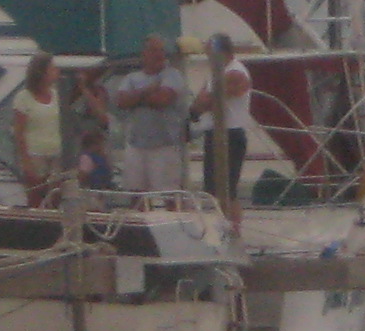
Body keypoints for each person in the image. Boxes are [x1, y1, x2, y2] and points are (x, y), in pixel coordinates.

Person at [105, 35, 190, 193]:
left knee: (168, 193)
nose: (159, 55)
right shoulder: (131, 78)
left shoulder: (173, 75)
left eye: (161, 51)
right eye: (153, 50)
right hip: (135, 144)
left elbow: (162, 99)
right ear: (144, 54)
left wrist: (136, 98)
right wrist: (148, 91)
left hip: (165, 145)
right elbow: (121, 101)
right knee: (135, 192)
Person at [196, 32, 254, 207]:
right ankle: (222, 226)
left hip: (230, 134)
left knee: (228, 190)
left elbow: (208, 101)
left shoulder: (235, 72)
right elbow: (199, 102)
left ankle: (232, 228)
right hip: (213, 133)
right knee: (212, 189)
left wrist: (205, 100)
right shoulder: (216, 73)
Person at [13, 53, 66, 204]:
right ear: (42, 72)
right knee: (35, 196)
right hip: (34, 154)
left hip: (57, 153)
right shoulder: (23, 98)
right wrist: (26, 162)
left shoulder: (58, 95)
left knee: (56, 196)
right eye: (53, 68)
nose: (57, 71)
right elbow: (19, 132)